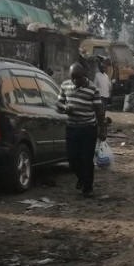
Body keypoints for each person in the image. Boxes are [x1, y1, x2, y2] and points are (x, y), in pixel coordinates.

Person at [56, 62, 107, 198]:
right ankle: (81, 178)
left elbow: (99, 111)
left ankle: (87, 187)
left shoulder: (93, 89)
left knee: (86, 158)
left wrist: (102, 130)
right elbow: (59, 103)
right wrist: (65, 107)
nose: (75, 81)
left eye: (77, 77)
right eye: (72, 77)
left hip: (88, 129)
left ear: (83, 75)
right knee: (72, 157)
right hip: (72, 127)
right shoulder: (65, 85)